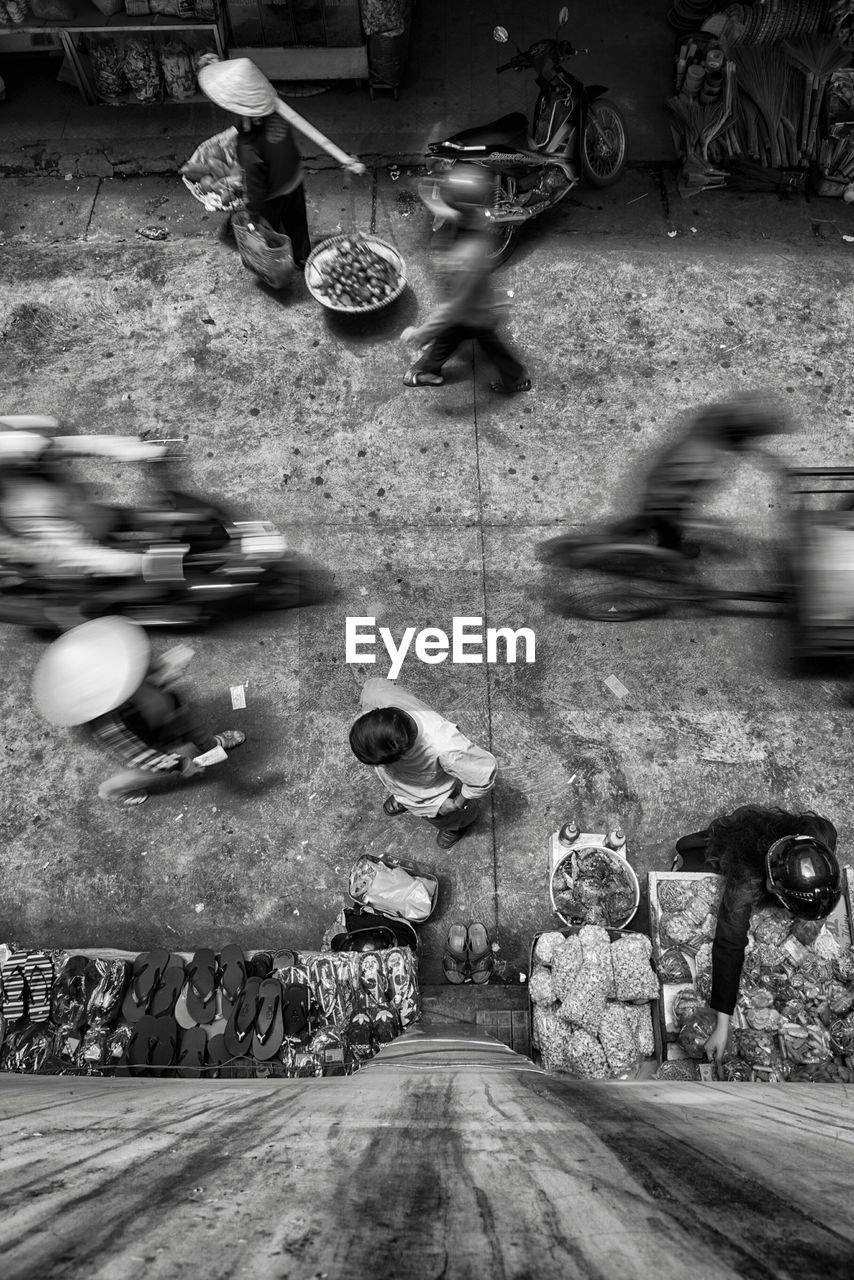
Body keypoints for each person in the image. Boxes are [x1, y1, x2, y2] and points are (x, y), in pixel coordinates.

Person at [672, 805, 841, 1068]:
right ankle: (689, 850)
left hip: (770, 836)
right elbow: (729, 943)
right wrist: (723, 1023)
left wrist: (810, 912)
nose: (770, 887)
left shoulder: (819, 839)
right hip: (738, 839)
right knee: (697, 852)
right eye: (772, 884)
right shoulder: (747, 876)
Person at [31, 617, 246, 807]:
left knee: (191, 725)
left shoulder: (115, 666)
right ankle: (112, 791)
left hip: (167, 713)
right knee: (144, 774)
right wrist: (181, 763)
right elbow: (142, 757)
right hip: (146, 740)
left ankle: (211, 746)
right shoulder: (107, 727)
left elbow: (145, 672)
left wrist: (164, 669)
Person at [197, 57, 366, 270]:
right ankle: (302, 257)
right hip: (294, 179)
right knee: (297, 223)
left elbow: (256, 185)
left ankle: (276, 265)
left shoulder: (249, 146)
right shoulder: (275, 112)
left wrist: (253, 214)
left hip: (273, 193)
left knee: (270, 230)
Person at [400, 164, 531, 395]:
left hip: (471, 310)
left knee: (474, 338)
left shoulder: (465, 256)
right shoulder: (473, 221)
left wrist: (421, 333)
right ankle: (431, 370)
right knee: (452, 336)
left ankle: (515, 377)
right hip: (473, 303)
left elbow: (453, 309)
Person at [610, 396, 789, 557]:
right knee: (665, 525)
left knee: (651, 519)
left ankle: (619, 535)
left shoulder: (706, 434)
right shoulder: (701, 458)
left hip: (661, 490)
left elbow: (737, 443)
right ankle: (663, 548)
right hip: (665, 500)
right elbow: (671, 493)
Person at [349, 678, 497, 849]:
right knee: (401, 788)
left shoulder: (446, 747)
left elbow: (484, 773)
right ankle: (404, 798)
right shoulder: (377, 694)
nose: (379, 767)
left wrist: (457, 803)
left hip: (436, 794)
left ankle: (457, 825)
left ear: (403, 753)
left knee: (449, 817)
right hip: (405, 782)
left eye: (381, 764)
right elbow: (371, 686)